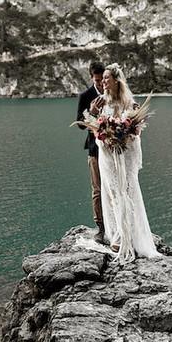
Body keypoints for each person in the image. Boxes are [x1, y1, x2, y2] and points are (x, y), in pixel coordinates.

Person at [89, 63, 159, 263]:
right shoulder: (102, 102)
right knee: (110, 193)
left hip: (124, 155)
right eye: (102, 79)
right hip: (107, 155)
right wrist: (96, 118)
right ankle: (117, 237)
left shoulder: (129, 102)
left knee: (127, 191)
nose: (102, 82)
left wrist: (124, 136)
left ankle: (134, 235)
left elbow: (135, 130)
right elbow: (96, 127)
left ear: (116, 81)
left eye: (106, 79)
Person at [76, 60, 106, 243]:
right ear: (91, 78)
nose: (101, 83)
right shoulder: (85, 95)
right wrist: (92, 112)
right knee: (97, 189)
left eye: (103, 79)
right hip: (95, 149)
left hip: (114, 148)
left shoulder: (112, 90)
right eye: (97, 80)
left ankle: (117, 223)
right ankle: (100, 227)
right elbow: (79, 123)